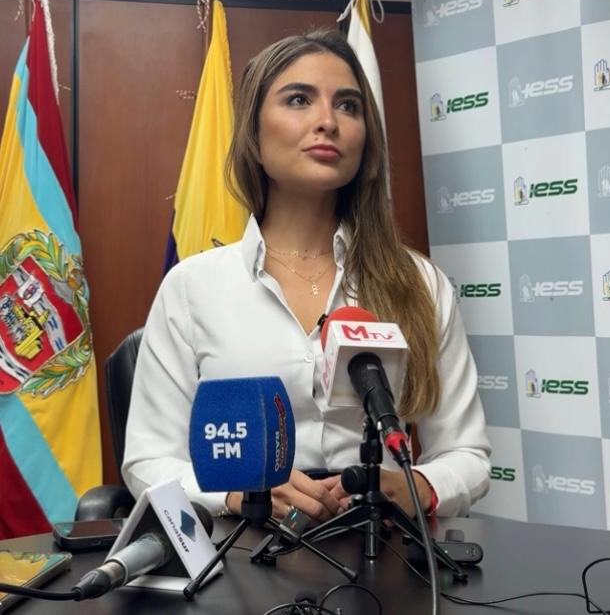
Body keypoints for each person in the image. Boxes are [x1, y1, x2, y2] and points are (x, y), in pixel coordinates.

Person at [122, 29, 490, 523]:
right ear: (252, 135)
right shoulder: (193, 289)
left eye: (348, 106)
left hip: (382, 553)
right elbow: (149, 461)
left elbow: (466, 457)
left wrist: (416, 485)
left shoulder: (419, 283)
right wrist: (239, 495)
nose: (327, 122)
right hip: (242, 552)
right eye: (299, 100)